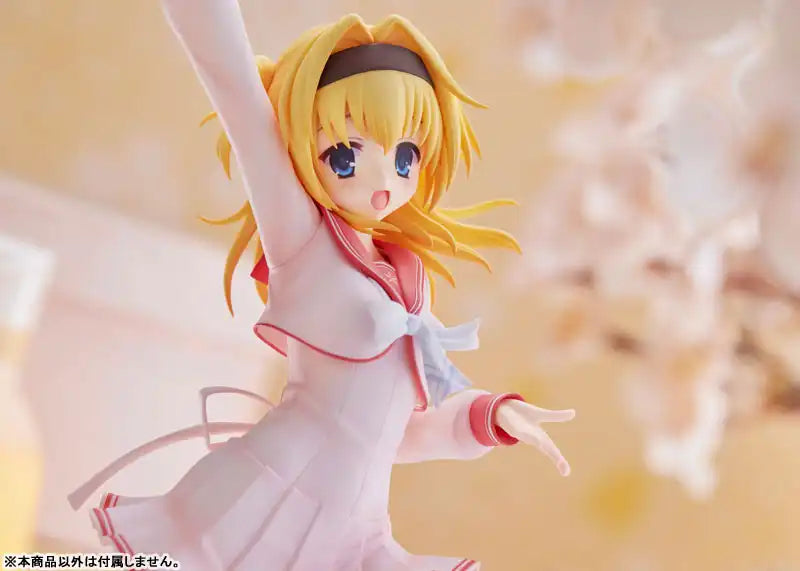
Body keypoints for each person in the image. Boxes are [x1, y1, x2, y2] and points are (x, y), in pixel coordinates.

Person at [68, 2, 575, 569]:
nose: (384, 180)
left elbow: (397, 437)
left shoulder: (409, 282)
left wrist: (489, 417)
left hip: (356, 531)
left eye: (405, 156)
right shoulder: (304, 240)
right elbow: (241, 100)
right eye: (346, 154)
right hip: (268, 497)